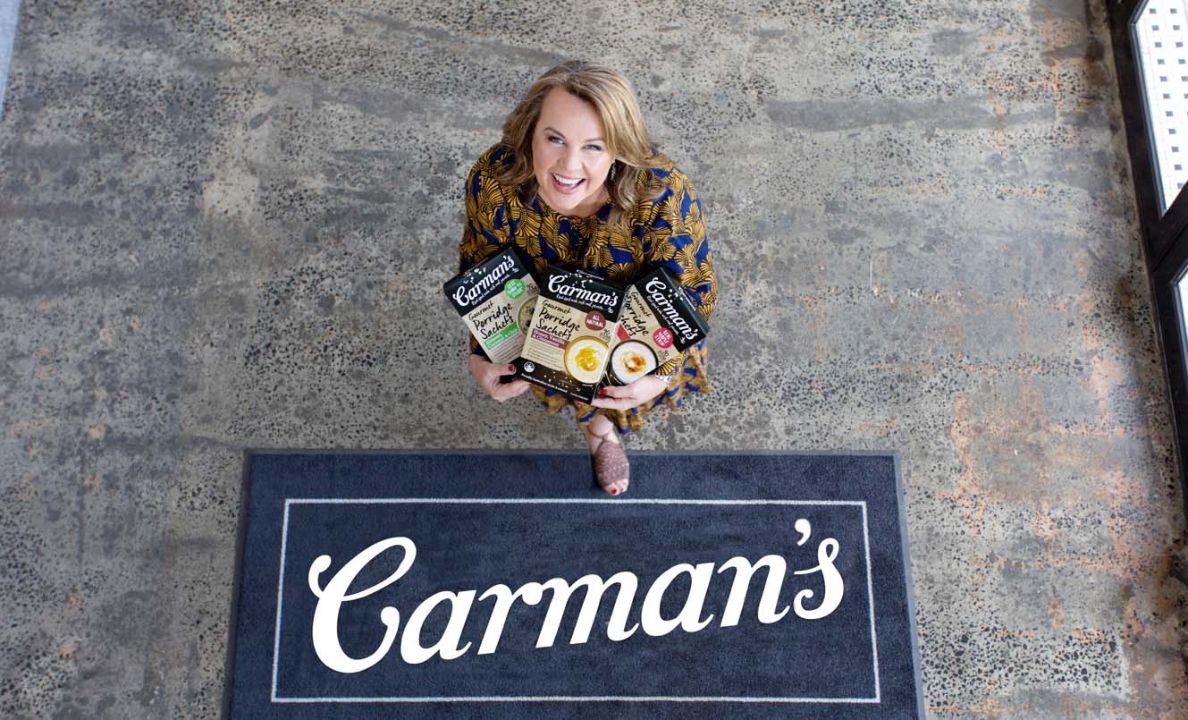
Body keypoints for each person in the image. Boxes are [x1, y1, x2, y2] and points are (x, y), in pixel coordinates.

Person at [458, 60, 717, 497]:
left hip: (636, 333)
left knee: (615, 393)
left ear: (619, 149)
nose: (569, 166)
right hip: (540, 325)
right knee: (573, 388)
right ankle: (599, 432)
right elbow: (481, 264)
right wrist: (482, 352)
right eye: (554, 139)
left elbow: (690, 290)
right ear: (530, 132)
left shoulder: (662, 194)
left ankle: (603, 430)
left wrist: (660, 374)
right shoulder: (495, 180)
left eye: (594, 147)